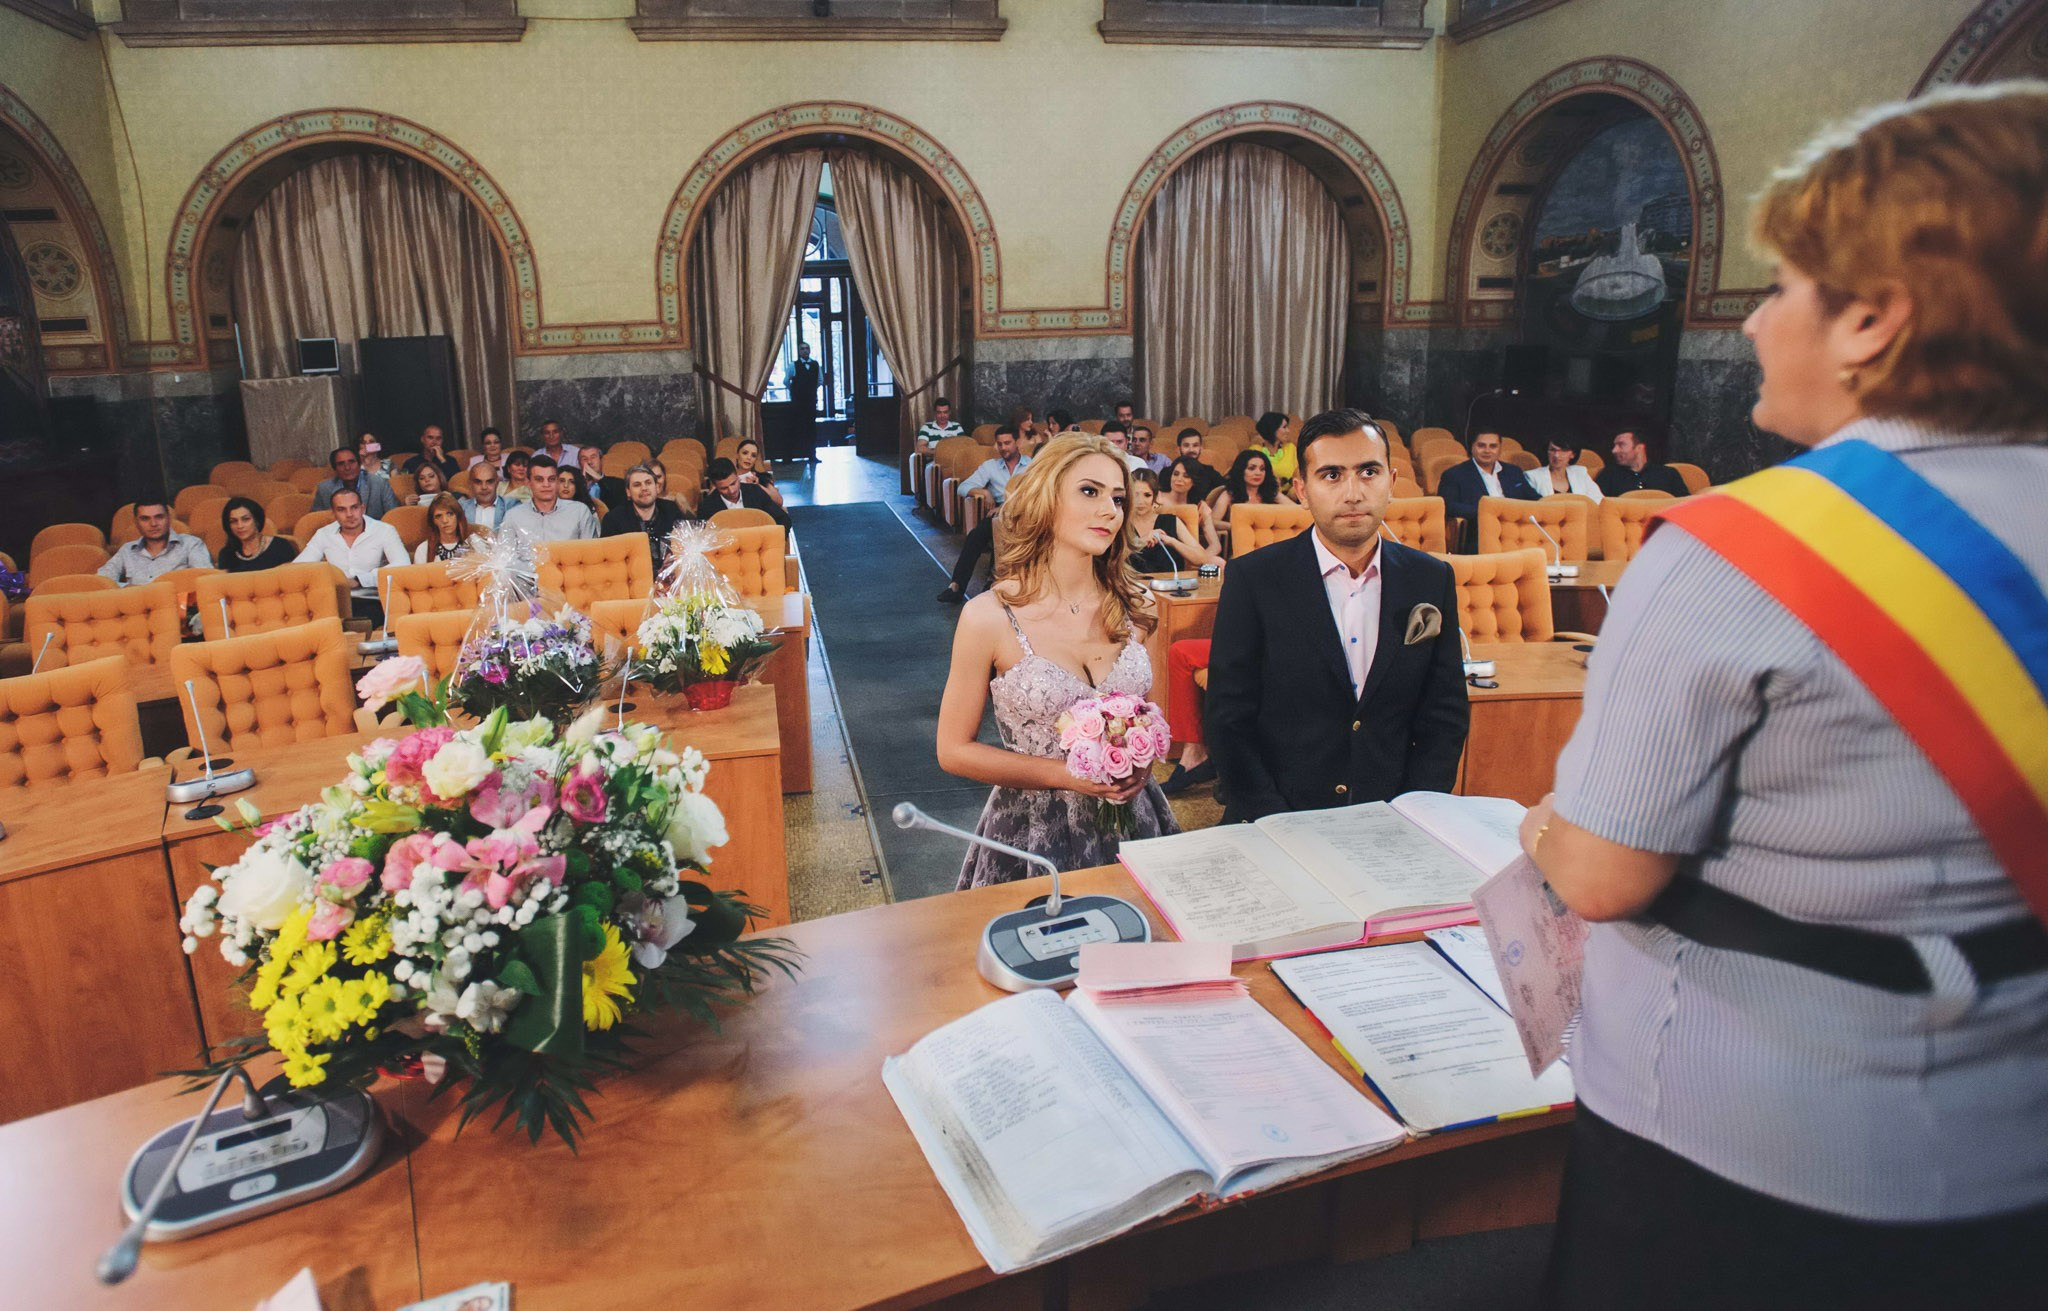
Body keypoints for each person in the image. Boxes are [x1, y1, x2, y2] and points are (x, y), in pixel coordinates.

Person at [1523, 86, 2048, 1311]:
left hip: (1753, 1149)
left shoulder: (1741, 550)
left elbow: (1600, 876)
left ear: (1870, 317)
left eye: (1778, 288)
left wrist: (1538, 828)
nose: (1753, 322)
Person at [937, 432, 1179, 886]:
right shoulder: (989, 617)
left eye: (1118, 498)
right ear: (1046, 500)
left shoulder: (1137, 604)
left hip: (1135, 820)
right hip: (1032, 832)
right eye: (1089, 491)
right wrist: (1066, 774)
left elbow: (1151, 716)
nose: (1110, 510)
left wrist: (1141, 763)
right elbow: (952, 750)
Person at [1205, 409, 1468, 822]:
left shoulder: (1430, 579)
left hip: (1391, 818)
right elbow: (1228, 718)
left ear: (1391, 482)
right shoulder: (1253, 579)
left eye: (1368, 472)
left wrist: (1412, 812)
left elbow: (1445, 715)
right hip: (1276, 818)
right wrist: (1273, 818)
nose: (1353, 493)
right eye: (1331, 475)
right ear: (1302, 490)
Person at [936, 425, 1029, 603]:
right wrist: (984, 492)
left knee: (1003, 535)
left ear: (1017, 443)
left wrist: (1007, 508)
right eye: (1000, 444)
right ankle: (956, 586)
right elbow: (963, 487)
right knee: (975, 535)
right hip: (997, 513)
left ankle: (992, 583)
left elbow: (1037, 495)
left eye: (1007, 443)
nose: (1003, 448)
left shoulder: (1032, 465)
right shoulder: (990, 466)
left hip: (1024, 511)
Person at [294, 486, 406, 622]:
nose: (349, 514)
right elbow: (298, 568)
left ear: (362, 508)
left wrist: (360, 580)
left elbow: (402, 564)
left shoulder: (384, 531)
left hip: (373, 600)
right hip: (334, 602)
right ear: (333, 513)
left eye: (354, 507)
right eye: (341, 509)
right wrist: (329, 581)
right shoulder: (323, 534)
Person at [1438, 430, 1541, 550]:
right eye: (1481, 446)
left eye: (1493, 446)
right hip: (1480, 533)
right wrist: (1487, 513)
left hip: (1517, 532)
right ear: (1472, 447)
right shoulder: (1454, 474)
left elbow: (1534, 499)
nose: (1487, 451)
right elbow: (1448, 506)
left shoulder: (1513, 472)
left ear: (1500, 449)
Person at [1126, 468, 1220, 573]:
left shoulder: (1171, 521)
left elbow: (1202, 558)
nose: (1140, 501)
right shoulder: (1122, 523)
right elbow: (1112, 560)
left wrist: (1173, 542)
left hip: (1170, 582)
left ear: (1155, 496)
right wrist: (1140, 542)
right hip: (1133, 582)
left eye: (1147, 495)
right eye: (1135, 495)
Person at [601, 463, 688, 574]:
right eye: (637, 485)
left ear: (656, 487)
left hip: (670, 576)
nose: (644, 488)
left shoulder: (671, 510)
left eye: (648, 483)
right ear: (628, 492)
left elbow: (686, 545)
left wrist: (674, 559)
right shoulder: (613, 519)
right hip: (631, 578)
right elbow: (609, 561)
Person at [99, 499, 211, 584]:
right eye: (145, 519)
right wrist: (125, 588)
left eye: (159, 517)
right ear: (136, 523)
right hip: (137, 605)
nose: (153, 524)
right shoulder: (127, 550)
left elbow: (206, 580)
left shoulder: (191, 544)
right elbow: (102, 581)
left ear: (168, 519)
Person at [500, 454, 597, 543]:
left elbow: (591, 552)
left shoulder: (579, 512)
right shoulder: (513, 516)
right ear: (529, 483)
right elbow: (505, 554)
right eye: (539, 479)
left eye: (551, 479)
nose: (546, 485)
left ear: (557, 482)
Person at [1155, 456, 1225, 559]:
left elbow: (1215, 545)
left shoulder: (1200, 506)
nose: (1179, 479)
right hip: (1159, 552)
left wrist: (1201, 559)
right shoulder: (1156, 498)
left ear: (1194, 481)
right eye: (1176, 474)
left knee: (1219, 562)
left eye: (1186, 476)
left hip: (1190, 555)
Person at [696, 456, 791, 528]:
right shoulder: (707, 507)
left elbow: (783, 519)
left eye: (733, 483)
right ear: (715, 486)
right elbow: (702, 536)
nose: (731, 491)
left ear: (737, 476)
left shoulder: (755, 492)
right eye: (724, 488)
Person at [1209, 448, 1293, 527]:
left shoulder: (1271, 492)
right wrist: (1236, 527)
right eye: (1251, 468)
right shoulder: (1229, 494)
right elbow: (1213, 522)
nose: (1258, 473)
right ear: (1241, 471)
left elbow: (1296, 511)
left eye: (1262, 469)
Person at [1594, 429, 1690, 497]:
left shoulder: (1668, 474)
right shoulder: (1609, 474)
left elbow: (1685, 505)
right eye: (1614, 446)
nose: (1614, 450)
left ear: (1639, 448)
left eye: (1621, 445)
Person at [313, 446, 398, 518]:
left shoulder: (379, 484)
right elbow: (317, 520)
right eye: (341, 464)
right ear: (335, 468)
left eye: (351, 462)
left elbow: (394, 516)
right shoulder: (324, 489)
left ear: (359, 464)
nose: (347, 468)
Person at [216, 497, 295, 573]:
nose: (240, 526)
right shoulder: (226, 554)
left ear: (257, 521)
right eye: (233, 521)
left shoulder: (280, 546)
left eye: (246, 519)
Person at [414, 493, 480, 564]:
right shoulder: (423, 549)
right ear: (433, 521)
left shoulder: (474, 546)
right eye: (438, 516)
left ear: (458, 517)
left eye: (450, 514)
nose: (445, 520)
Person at [1533, 436, 1603, 501]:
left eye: (1563, 450)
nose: (1556, 455)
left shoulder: (1580, 473)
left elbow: (1599, 500)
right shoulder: (1534, 476)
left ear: (1573, 454)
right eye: (1552, 450)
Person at [1173, 428, 1226, 500]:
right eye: (1186, 445)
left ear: (1201, 448)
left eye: (1195, 445)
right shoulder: (1169, 472)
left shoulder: (1210, 472)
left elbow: (1225, 489)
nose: (1191, 450)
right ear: (1178, 449)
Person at [1249, 411, 1299, 484]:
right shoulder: (1254, 451)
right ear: (1273, 429)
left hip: (1291, 490)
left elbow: (1299, 475)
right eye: (1284, 427)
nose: (1288, 431)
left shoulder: (1291, 448)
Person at [459, 458, 510, 530]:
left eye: (489, 481)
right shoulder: (460, 508)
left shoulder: (511, 506)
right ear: (470, 484)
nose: (484, 487)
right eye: (478, 482)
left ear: (497, 482)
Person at [733, 437, 784, 507]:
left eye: (753, 455)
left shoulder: (762, 478)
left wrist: (757, 486)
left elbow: (779, 502)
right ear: (737, 455)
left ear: (756, 460)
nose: (749, 458)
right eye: (745, 453)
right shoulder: (728, 478)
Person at [790, 343, 821, 429]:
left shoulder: (815, 364)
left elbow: (820, 380)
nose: (805, 351)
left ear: (810, 350)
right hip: (798, 400)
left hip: (811, 399)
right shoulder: (793, 365)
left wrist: (812, 389)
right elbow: (786, 381)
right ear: (799, 352)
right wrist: (794, 390)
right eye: (802, 349)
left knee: (811, 421)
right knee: (799, 423)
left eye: (807, 348)